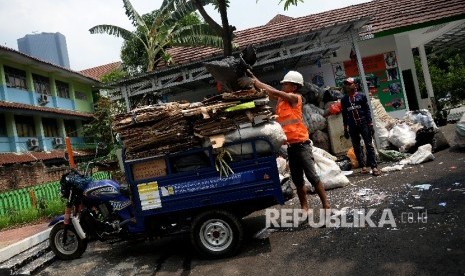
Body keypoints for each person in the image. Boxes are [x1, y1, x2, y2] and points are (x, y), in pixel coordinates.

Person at [239, 70, 330, 213]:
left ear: (294, 87)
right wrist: (253, 77)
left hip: (302, 145)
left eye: (286, 83)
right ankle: (304, 208)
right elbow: (268, 88)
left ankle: (326, 206)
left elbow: (275, 92)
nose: (283, 85)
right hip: (291, 147)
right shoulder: (282, 100)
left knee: (312, 177)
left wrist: (254, 82)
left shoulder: (296, 98)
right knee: (298, 180)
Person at [341, 77, 380, 176]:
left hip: (363, 124)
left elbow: (367, 111)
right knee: (356, 147)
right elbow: (344, 115)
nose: (348, 86)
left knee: (369, 145)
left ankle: (374, 166)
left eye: (350, 84)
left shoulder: (361, 96)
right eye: (347, 84)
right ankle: (363, 167)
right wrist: (345, 129)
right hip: (352, 126)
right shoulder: (344, 100)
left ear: (355, 85)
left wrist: (370, 125)